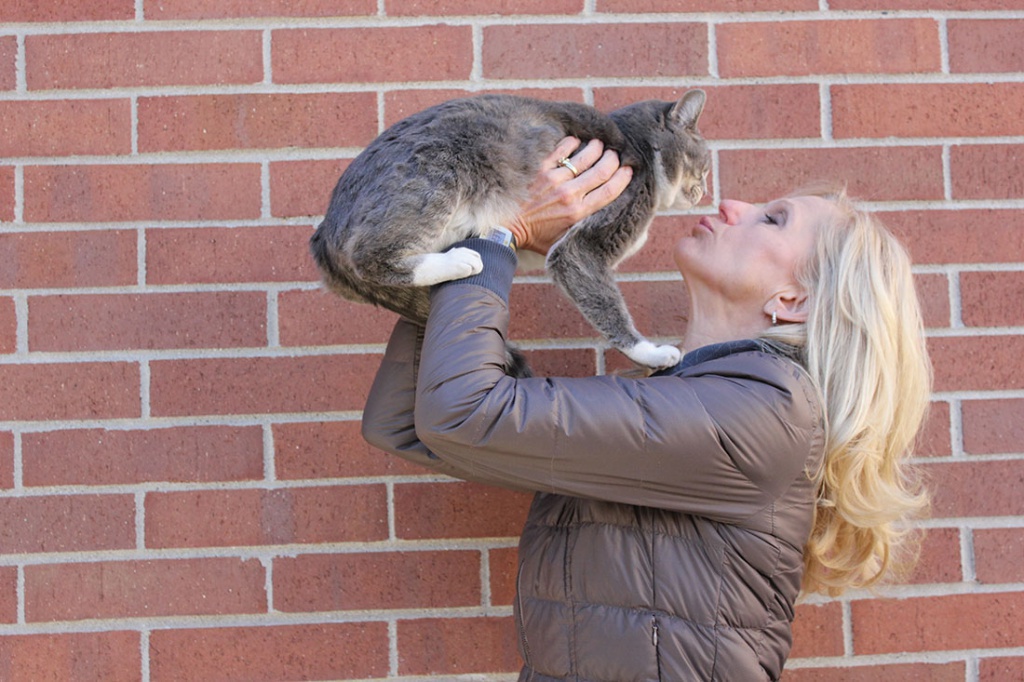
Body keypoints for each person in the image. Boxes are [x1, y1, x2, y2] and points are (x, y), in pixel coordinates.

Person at [361, 136, 931, 680]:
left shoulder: (762, 413)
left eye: (772, 219)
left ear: (793, 300)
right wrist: (469, 250)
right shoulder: (683, 395)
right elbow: (409, 421)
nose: (732, 205)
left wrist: (499, 233)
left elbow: (462, 413)